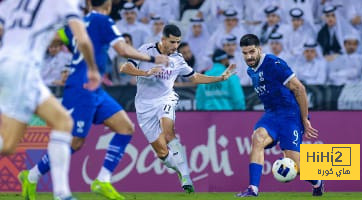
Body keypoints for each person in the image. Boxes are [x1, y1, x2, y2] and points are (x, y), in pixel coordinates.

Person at [20, 1, 169, 200]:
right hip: (81, 88)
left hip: (94, 88)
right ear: (108, 5)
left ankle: (102, 180)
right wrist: (153, 59)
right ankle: (32, 176)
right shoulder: (103, 20)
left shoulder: (76, 23)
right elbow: (122, 49)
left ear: (89, 3)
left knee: (125, 127)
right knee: (75, 141)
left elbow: (53, 38)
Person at [0, 0, 100, 199]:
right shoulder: (63, 3)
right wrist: (92, 69)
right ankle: (62, 194)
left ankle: (61, 193)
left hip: (9, 66)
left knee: (9, 144)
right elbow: (83, 40)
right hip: (23, 68)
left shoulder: (11, 3)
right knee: (63, 123)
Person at [120, 24, 235, 193]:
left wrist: (219, 78)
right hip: (144, 105)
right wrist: (145, 73)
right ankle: (180, 171)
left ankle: (186, 177)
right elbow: (125, 68)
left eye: (178, 42)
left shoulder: (178, 59)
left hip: (165, 99)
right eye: (172, 42)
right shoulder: (146, 50)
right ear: (163, 39)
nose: (175, 46)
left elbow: (194, 77)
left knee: (168, 131)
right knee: (161, 152)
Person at [236, 34, 322, 197]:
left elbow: (299, 89)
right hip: (271, 115)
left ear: (259, 49)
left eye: (252, 52)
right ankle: (253, 189)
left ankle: (317, 182)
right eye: (245, 53)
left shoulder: (274, 64)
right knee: (257, 138)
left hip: (290, 116)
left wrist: (304, 119)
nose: (249, 56)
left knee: (295, 166)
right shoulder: (250, 70)